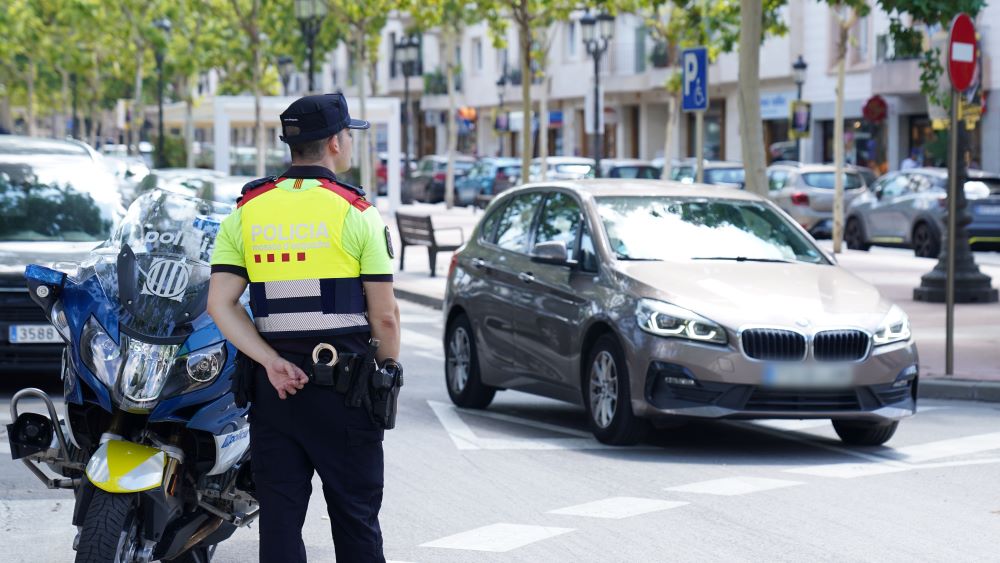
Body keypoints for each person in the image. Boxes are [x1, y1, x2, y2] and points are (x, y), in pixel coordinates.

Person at [207, 92, 401, 563]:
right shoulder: (356, 213)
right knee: (355, 519)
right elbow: (385, 317)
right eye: (348, 135)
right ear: (335, 142)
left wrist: (271, 361)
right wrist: (386, 373)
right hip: (346, 394)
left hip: (276, 393)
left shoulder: (247, 211)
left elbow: (221, 303)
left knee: (279, 521)